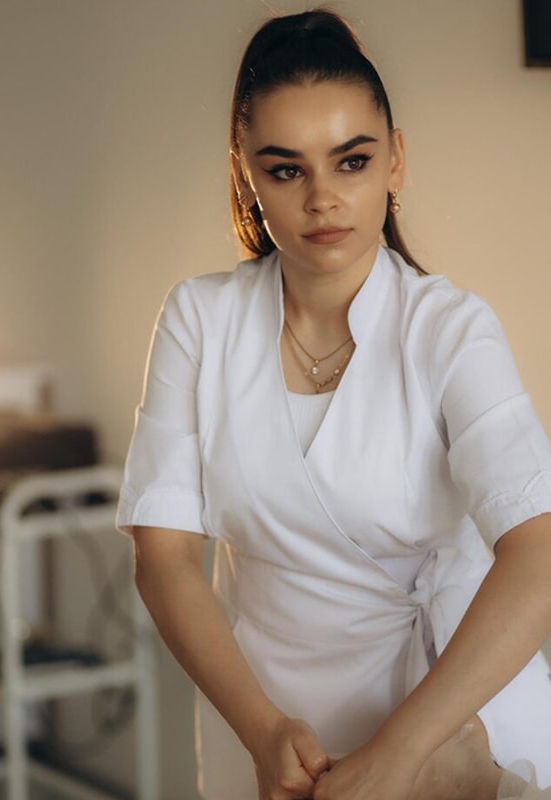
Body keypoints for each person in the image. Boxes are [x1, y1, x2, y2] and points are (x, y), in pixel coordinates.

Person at [117, 9, 551, 800]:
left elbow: (539, 553)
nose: (322, 198)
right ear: (246, 174)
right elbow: (164, 557)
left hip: (451, 720)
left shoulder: (449, 329)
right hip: (264, 721)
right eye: (286, 170)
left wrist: (401, 752)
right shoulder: (199, 320)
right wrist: (261, 730)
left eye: (351, 161)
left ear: (395, 161)